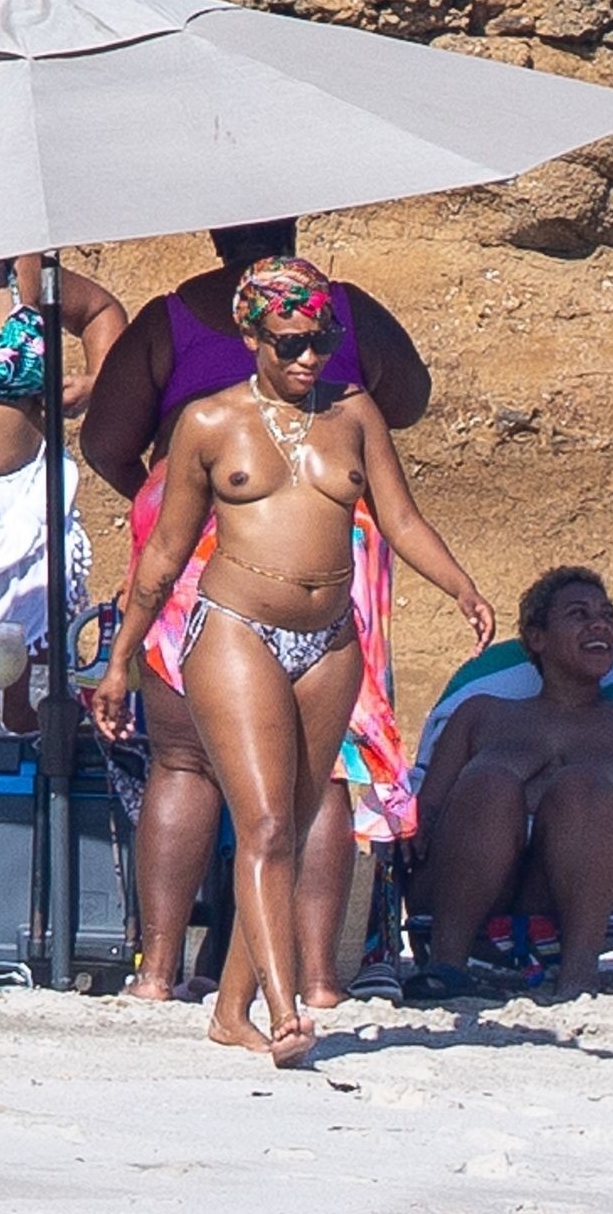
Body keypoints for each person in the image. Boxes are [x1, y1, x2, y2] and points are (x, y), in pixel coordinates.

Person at [91, 256, 493, 1068]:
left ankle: (228, 1010)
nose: (310, 357)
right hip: (235, 628)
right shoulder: (209, 422)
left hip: (331, 640)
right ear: (251, 337)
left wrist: (461, 587)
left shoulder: (353, 413)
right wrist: (120, 659)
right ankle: (283, 1012)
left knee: (300, 823)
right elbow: (165, 552)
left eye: (322, 341)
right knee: (267, 825)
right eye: (291, 343)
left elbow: (401, 518)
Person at [401, 566, 613, 1002]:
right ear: (537, 638)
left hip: (581, 898)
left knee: (581, 787)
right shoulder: (480, 715)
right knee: (491, 783)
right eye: (579, 614)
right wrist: (409, 826)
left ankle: (578, 973)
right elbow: (426, 810)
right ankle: (447, 966)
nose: (600, 625)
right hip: (464, 891)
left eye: (608, 615)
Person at [0, 256, 125, 731]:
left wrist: (95, 383)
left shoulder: (24, 269)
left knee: (29, 704)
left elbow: (101, 312)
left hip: (24, 509)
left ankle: (34, 776)